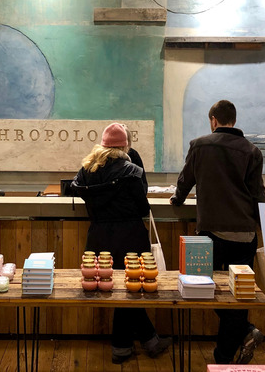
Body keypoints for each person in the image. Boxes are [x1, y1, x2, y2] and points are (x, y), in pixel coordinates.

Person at [170, 99, 265, 364]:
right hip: (244, 234)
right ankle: (226, 354)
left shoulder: (199, 145)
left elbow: (186, 179)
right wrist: (263, 228)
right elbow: (257, 195)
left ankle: (243, 334)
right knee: (239, 294)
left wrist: (177, 200)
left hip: (210, 234)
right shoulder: (252, 151)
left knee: (201, 288)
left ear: (213, 119)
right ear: (233, 120)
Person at [72, 122, 172, 364]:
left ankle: (134, 343)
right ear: (125, 146)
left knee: (116, 288)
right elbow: (142, 206)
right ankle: (126, 345)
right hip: (130, 236)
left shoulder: (86, 170)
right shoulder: (133, 171)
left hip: (98, 238)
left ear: (103, 145)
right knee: (131, 288)